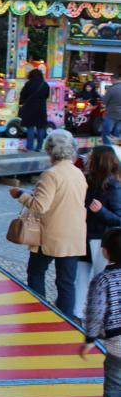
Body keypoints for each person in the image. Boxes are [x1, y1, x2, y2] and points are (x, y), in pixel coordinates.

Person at [9, 129, 87, 319]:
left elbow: (40, 206)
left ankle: (39, 314)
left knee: (36, 273)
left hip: (50, 235)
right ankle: (67, 321)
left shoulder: (51, 174)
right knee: (66, 282)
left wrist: (20, 195)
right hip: (74, 235)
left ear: (49, 149)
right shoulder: (78, 173)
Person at [82, 227, 121, 397]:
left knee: (114, 385)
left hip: (118, 343)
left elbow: (95, 312)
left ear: (105, 252)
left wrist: (90, 339)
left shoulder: (103, 279)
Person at [76, 146, 121, 318]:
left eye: (91, 155)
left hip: (100, 240)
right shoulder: (88, 179)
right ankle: (76, 314)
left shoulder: (113, 185)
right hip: (84, 237)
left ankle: (103, 319)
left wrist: (101, 211)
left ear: (100, 160)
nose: (87, 157)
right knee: (80, 277)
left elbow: (119, 218)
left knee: (100, 280)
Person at [19, 67, 50, 152]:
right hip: (41, 109)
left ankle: (29, 147)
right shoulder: (45, 84)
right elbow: (47, 96)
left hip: (30, 108)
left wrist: (24, 101)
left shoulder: (28, 84)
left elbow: (22, 94)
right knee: (41, 128)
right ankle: (39, 147)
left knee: (30, 128)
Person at [104, 74, 121, 144]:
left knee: (107, 133)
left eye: (110, 80)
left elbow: (104, 101)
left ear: (113, 79)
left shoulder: (112, 89)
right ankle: (117, 148)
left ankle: (107, 148)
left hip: (112, 114)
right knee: (117, 132)